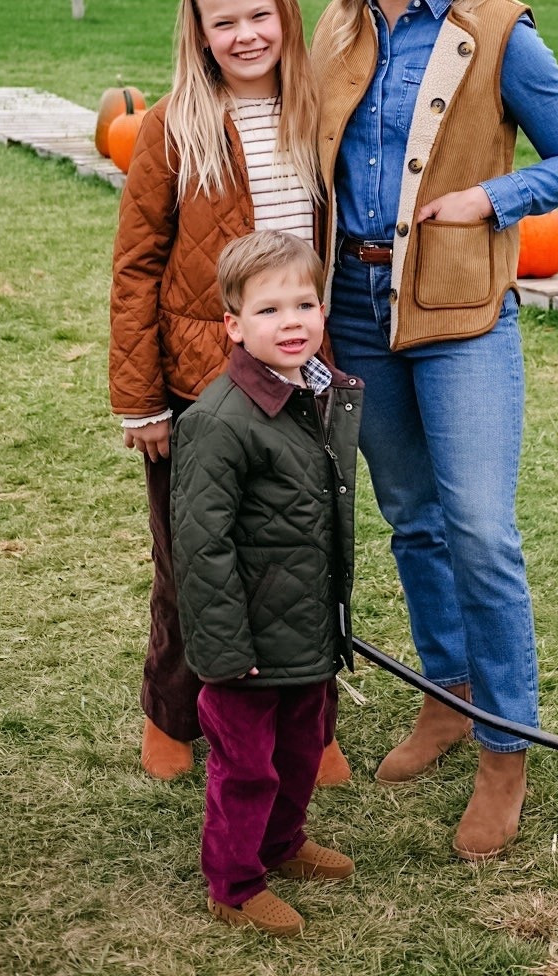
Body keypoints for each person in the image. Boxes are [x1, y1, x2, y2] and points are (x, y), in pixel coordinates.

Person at [312, 0, 558, 860]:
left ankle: (503, 746)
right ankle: (446, 694)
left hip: (462, 307)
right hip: (354, 306)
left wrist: (492, 197)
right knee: (414, 520)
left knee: (480, 527)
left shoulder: (495, 30)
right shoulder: (335, 33)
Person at [109, 0, 349, 784]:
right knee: (194, 558)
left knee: (300, 557)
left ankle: (307, 724)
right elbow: (137, 262)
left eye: (259, 16)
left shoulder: (316, 114)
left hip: (298, 376)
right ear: (199, 33)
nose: (246, 35)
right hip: (201, 385)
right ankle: (172, 712)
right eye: (225, 23)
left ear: (283, 15)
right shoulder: (174, 125)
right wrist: (139, 399)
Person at [171, 229, 361, 935]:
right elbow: (201, 544)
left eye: (305, 304)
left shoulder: (318, 395)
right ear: (233, 324)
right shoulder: (218, 422)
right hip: (244, 641)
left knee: (298, 748)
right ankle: (235, 882)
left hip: (304, 626)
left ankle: (282, 844)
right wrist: (223, 649)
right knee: (246, 765)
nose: (292, 322)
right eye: (269, 310)